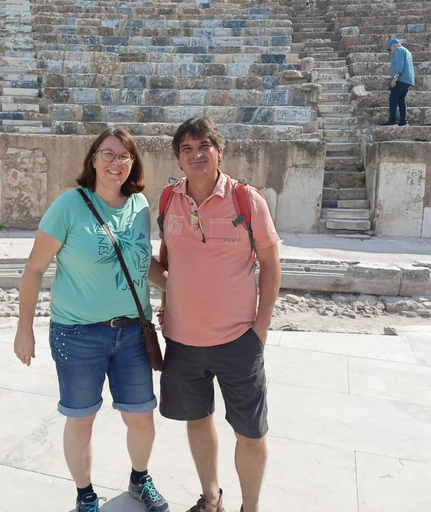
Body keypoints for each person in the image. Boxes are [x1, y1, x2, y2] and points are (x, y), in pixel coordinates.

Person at [13, 128, 169, 512]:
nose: (117, 163)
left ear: (133, 163)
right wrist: (24, 329)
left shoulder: (140, 206)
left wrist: (176, 288)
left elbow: (139, 260)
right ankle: (86, 495)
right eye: (109, 154)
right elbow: (34, 269)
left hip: (133, 332)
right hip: (77, 334)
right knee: (81, 420)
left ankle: (139, 478)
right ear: (93, 159)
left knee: (141, 418)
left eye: (125, 156)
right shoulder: (70, 205)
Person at [157, 117, 281, 512]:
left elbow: (271, 264)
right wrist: (175, 293)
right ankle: (211, 499)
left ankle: (250, 508)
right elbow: (165, 262)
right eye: (187, 149)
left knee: (250, 432)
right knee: (198, 419)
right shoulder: (167, 200)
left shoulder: (247, 199)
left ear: (218, 153)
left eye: (203, 146)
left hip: (238, 341)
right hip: (182, 339)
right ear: (178, 159)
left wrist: (260, 329)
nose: (196, 154)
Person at [381, 38, 415, 126]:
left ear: (394, 45)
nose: (391, 51)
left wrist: (395, 77)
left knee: (393, 98)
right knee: (401, 99)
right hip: (408, 80)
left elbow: (400, 64)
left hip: (401, 79)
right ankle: (403, 121)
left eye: (391, 48)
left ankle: (392, 120)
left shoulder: (398, 50)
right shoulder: (407, 51)